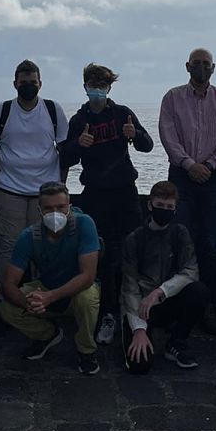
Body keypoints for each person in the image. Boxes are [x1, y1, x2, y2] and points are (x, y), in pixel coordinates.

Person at [59, 63, 154, 346]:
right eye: (92, 85)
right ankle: (107, 313)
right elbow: (66, 157)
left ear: (110, 87)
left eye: (102, 85)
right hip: (95, 195)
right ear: (85, 86)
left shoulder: (122, 113)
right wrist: (80, 144)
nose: (97, 90)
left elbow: (147, 145)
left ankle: (134, 311)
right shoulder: (78, 120)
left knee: (131, 252)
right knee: (100, 256)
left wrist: (133, 134)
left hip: (125, 192)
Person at [158, 48, 216, 330]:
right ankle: (173, 302)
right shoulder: (172, 97)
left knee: (209, 242)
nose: (201, 68)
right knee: (177, 238)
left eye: (206, 64)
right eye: (196, 64)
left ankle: (207, 306)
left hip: (214, 179)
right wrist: (190, 164)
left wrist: (211, 165)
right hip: (181, 176)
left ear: (213, 68)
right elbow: (167, 135)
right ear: (187, 66)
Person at [0, 183, 102, 375]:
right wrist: (29, 304)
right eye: (48, 208)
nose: (55, 213)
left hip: (77, 288)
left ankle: (86, 349)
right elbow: (9, 283)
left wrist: (51, 297)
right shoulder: (28, 236)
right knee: (7, 308)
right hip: (46, 286)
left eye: (60, 207)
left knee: (86, 298)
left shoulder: (84, 224)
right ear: (39, 210)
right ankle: (47, 334)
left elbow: (88, 275)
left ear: (69, 206)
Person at [0, 61, 69, 286]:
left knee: (44, 245)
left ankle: (43, 298)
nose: (28, 86)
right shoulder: (0, 111)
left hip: (46, 191)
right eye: (24, 82)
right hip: (8, 189)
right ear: (15, 84)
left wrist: (61, 185)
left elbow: (64, 150)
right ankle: (7, 298)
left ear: (40, 83)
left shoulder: (53, 110)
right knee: (10, 246)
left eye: (33, 82)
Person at [121, 181, 209, 374]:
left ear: (176, 209)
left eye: (169, 207)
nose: (164, 210)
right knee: (139, 365)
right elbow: (129, 287)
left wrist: (161, 292)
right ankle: (140, 332)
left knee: (198, 291)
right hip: (141, 306)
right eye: (160, 206)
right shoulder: (134, 239)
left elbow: (190, 271)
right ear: (150, 205)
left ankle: (176, 341)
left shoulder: (180, 233)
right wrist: (139, 329)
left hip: (168, 299)